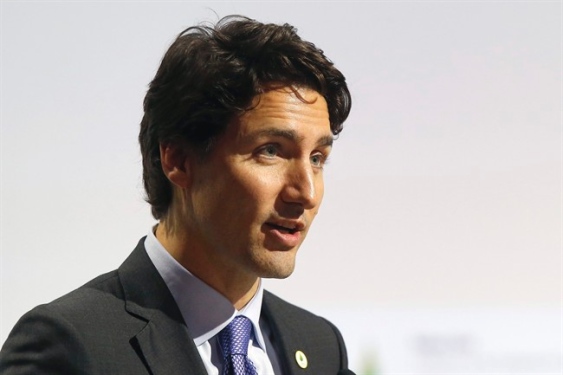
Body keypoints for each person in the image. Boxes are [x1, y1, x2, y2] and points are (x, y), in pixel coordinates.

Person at [0, 15, 353, 375]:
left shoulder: (321, 348)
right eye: (271, 151)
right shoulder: (69, 347)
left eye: (317, 158)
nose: (306, 192)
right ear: (179, 160)